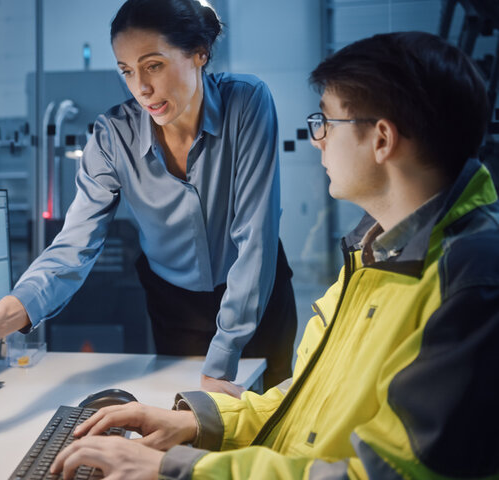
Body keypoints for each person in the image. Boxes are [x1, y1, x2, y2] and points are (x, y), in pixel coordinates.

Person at [49, 31, 499, 479]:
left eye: (326, 123)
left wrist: (180, 468)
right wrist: (195, 423)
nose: (317, 140)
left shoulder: (467, 283)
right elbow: (307, 403)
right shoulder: (375, 256)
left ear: (381, 139)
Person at [0, 0, 297, 394]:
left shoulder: (248, 102)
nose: (142, 88)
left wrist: (221, 363)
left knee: (270, 422)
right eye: (127, 71)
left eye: (153, 65)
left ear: (199, 53)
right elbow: (72, 249)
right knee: (191, 432)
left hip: (258, 298)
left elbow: (255, 237)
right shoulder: (111, 136)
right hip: (175, 308)